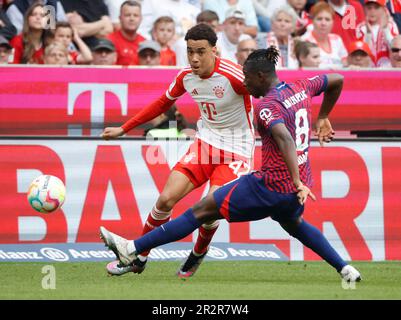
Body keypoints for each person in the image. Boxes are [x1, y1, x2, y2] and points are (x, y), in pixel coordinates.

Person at [100, 46, 362, 283]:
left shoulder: (266, 106)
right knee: (296, 226)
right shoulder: (302, 86)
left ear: (260, 76)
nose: (244, 83)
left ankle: (132, 248)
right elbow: (337, 80)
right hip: (297, 190)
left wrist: (295, 181)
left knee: (200, 211)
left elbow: (284, 138)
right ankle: (345, 269)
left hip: (271, 185)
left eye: (247, 77)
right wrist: (323, 117)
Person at [101, 23, 254, 278]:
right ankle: (138, 257)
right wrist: (124, 128)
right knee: (165, 200)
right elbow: (162, 102)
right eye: (190, 51)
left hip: (237, 151)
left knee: (209, 209)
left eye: (201, 52)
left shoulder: (234, 76)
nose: (194, 58)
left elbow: (265, 95)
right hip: (205, 143)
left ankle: (197, 253)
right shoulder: (186, 76)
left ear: (214, 51)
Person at [301, 1, 348, 68]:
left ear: (333, 22)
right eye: (319, 19)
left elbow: (345, 65)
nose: (323, 23)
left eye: (327, 19)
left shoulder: (337, 39)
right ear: (312, 21)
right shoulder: (304, 41)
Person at [356, 0, 399, 67]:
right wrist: (368, 33)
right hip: (367, 68)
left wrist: (385, 29)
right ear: (364, 9)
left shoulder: (391, 25)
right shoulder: (361, 27)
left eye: (376, 8)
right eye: (369, 8)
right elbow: (362, 53)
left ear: (383, 9)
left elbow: (394, 49)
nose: (372, 11)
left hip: (387, 67)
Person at [108, 0, 145, 66]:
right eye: (127, 15)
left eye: (135, 15)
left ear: (141, 19)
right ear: (120, 18)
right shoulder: (109, 41)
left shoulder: (144, 43)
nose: (131, 18)